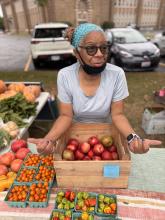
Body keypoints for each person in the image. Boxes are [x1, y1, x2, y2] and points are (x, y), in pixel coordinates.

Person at [28, 23, 161, 154]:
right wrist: (48, 140)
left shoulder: (116, 74)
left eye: (103, 48)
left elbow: (118, 115)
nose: (99, 54)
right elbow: (65, 116)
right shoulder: (65, 75)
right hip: (76, 134)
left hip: (107, 133)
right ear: (76, 52)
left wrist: (133, 138)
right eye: (91, 48)